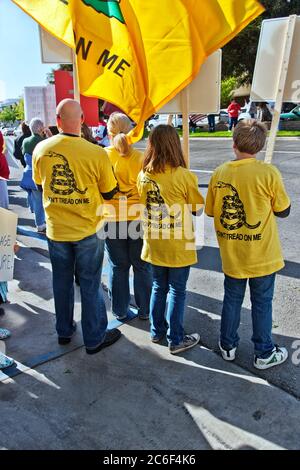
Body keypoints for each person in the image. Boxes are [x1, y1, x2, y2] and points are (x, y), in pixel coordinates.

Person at [32, 99, 121, 355]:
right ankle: (94, 338)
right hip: (87, 230)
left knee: (61, 282)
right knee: (90, 283)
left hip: (56, 229)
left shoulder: (41, 149)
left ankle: (64, 331)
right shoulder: (95, 152)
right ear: (82, 120)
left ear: (58, 121)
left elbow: (40, 185)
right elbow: (108, 191)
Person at [205, 120, 291, 370]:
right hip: (262, 255)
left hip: (233, 254)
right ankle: (264, 352)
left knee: (232, 299)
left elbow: (211, 211)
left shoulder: (220, 173)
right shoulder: (268, 173)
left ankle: (227, 345)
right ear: (261, 146)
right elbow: (283, 210)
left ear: (233, 144)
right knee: (262, 303)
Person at [137, 125, 204, 354]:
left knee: (159, 286)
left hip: (154, 241)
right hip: (177, 243)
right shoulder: (183, 175)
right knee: (177, 289)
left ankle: (156, 332)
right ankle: (175, 339)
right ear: (175, 145)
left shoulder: (143, 175)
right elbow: (197, 209)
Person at [104, 112, 152, 321]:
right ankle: (145, 310)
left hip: (111, 218)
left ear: (109, 131)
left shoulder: (102, 155)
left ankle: (120, 310)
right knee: (141, 266)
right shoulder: (141, 157)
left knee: (118, 266)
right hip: (137, 217)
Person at [21, 118, 49, 233]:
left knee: (34, 199)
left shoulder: (25, 141)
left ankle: (39, 220)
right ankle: (40, 224)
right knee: (40, 201)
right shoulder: (42, 141)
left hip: (27, 173)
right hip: (38, 175)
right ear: (39, 128)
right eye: (42, 126)